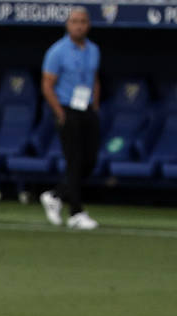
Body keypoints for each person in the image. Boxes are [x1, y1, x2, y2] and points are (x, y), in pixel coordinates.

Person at [39, 7, 101, 231]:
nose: (79, 25)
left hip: (86, 109)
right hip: (67, 109)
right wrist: (60, 113)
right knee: (73, 161)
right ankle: (76, 212)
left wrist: (95, 106)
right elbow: (47, 84)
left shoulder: (94, 50)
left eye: (83, 21)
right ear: (67, 24)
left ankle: (55, 195)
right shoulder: (57, 51)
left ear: (89, 25)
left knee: (89, 161)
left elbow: (94, 79)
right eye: (74, 21)